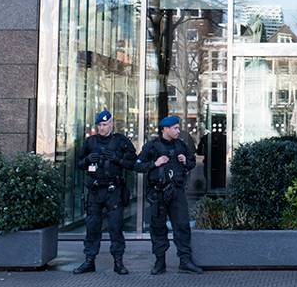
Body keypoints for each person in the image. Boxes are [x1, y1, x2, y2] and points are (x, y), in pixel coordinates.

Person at [136, 115, 203, 275]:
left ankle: (185, 262)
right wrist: (155, 163)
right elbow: (137, 165)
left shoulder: (181, 145)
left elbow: (192, 163)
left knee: (182, 226)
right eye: (175, 128)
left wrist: (185, 161)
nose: (178, 131)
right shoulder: (152, 146)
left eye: (178, 128)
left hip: (177, 192)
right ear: (165, 129)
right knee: (158, 228)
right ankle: (160, 262)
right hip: (158, 193)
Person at [73, 110, 137, 275]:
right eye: (100, 125)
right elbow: (78, 163)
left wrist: (117, 158)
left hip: (113, 191)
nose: (102, 128)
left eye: (105, 124)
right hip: (95, 191)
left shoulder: (121, 141)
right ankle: (89, 261)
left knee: (115, 227)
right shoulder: (90, 142)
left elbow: (132, 163)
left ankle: (118, 262)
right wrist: (87, 160)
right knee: (92, 227)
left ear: (111, 124)